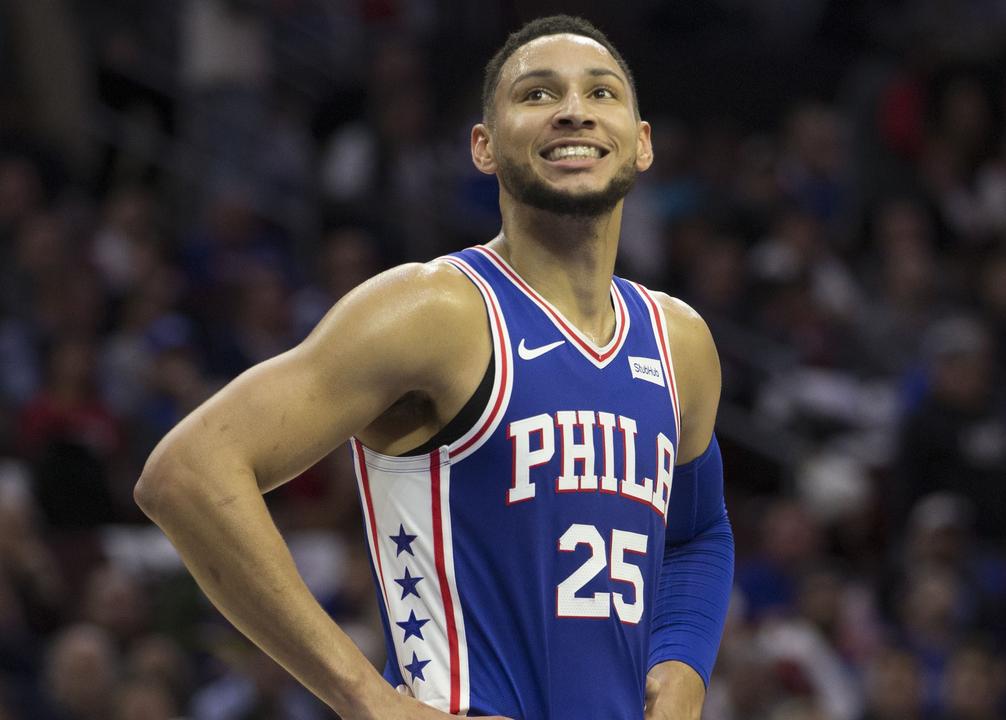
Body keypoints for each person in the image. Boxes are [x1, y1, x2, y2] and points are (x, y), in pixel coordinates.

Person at [134, 15, 734, 720]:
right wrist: (363, 698)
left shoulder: (679, 343)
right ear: (483, 146)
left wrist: (685, 660)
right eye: (538, 94)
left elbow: (699, 532)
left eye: (601, 92)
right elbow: (188, 474)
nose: (574, 109)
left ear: (641, 145)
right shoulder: (434, 312)